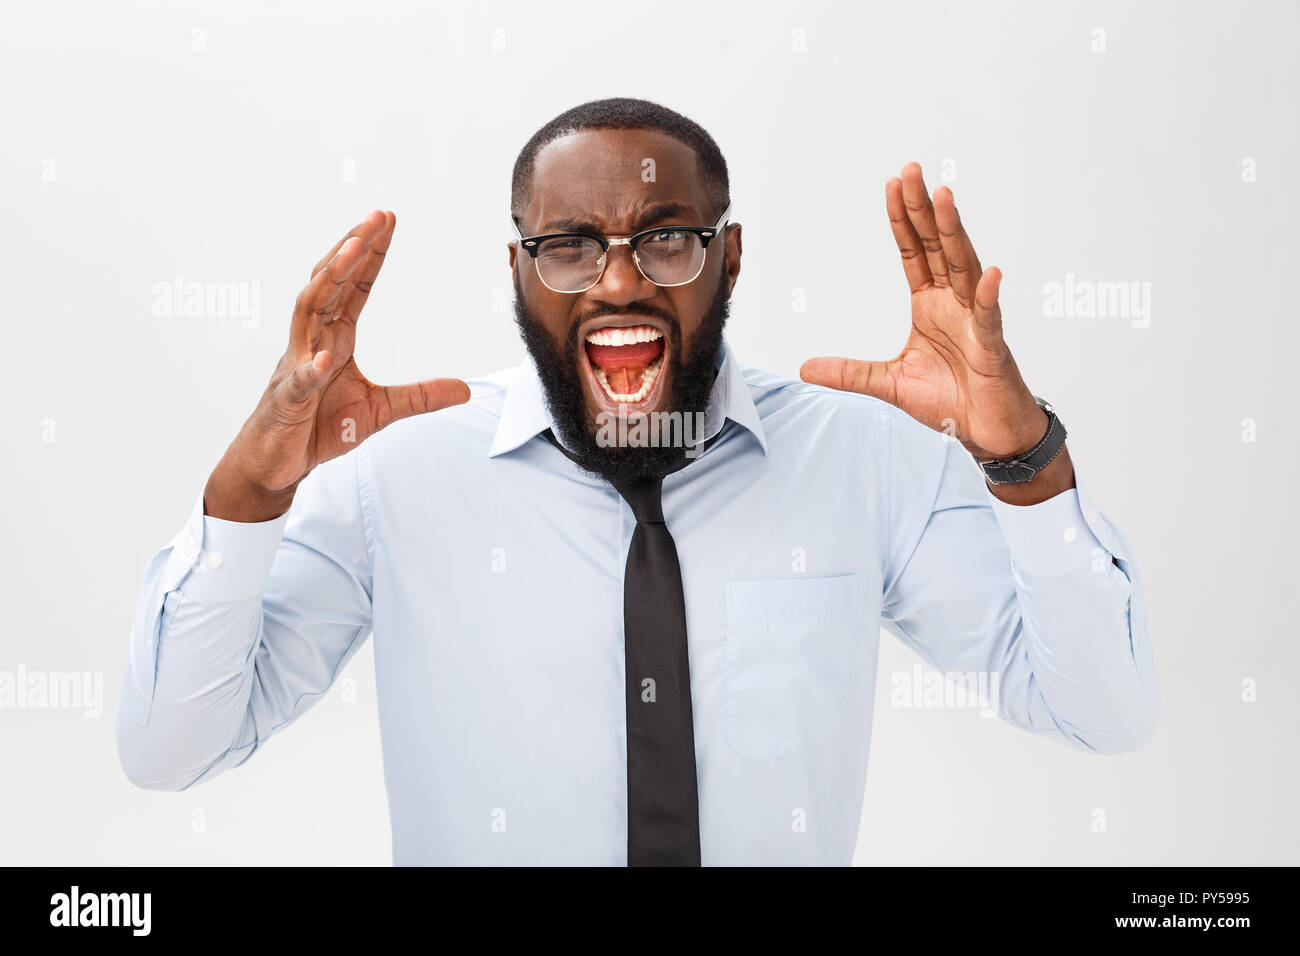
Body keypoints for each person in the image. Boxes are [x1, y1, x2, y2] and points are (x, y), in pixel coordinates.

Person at [117, 97, 1157, 866]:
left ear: (730, 259)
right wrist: (249, 491)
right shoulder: (395, 470)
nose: (617, 280)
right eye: (568, 247)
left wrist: (1021, 458)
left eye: (665, 238)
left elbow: (1098, 711)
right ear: (520, 271)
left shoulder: (863, 458)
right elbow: (170, 749)